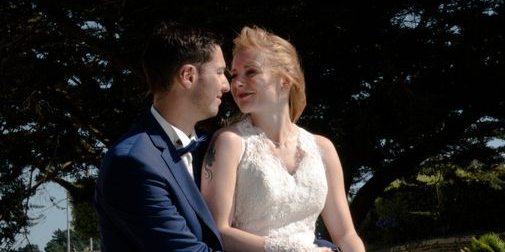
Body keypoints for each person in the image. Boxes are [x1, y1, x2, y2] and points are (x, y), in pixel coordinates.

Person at [200, 26, 366, 252]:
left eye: (250, 72)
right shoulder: (229, 142)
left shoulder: (323, 148)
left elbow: (346, 235)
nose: (236, 83)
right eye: (235, 74)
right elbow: (218, 232)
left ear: (285, 81)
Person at [95, 22, 230, 251]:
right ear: (188, 76)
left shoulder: (216, 147)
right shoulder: (132, 163)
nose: (226, 85)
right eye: (219, 72)